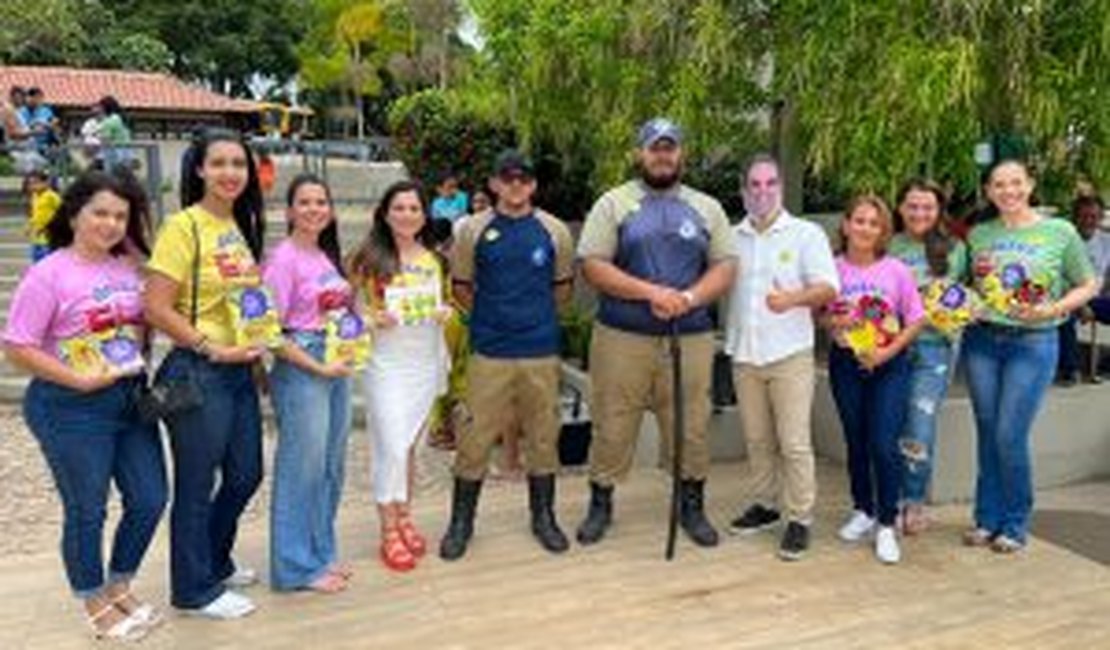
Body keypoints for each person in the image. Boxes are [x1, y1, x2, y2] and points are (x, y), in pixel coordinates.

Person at [2, 170, 166, 641]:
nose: (111, 224)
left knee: (151, 496)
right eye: (100, 213)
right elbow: (17, 346)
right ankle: (94, 600)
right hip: (68, 405)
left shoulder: (124, 266)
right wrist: (77, 378)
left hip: (127, 397)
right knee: (87, 509)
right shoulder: (47, 273)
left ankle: (120, 585)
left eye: (120, 215)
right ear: (74, 214)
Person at [575, 118, 738, 548]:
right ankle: (601, 504)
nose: (662, 155)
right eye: (654, 147)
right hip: (621, 338)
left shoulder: (707, 207)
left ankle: (691, 506)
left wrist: (686, 299)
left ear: (681, 154)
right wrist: (652, 293)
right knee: (611, 423)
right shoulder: (614, 203)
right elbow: (593, 264)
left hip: (691, 336)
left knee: (692, 426)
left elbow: (725, 267)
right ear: (639, 153)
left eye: (670, 147)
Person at [143, 128, 267, 618]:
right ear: (199, 169)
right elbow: (155, 306)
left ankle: (213, 559)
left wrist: (253, 350)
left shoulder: (238, 226)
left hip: (238, 371)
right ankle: (193, 590)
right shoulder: (183, 227)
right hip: (199, 370)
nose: (230, 173)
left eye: (238, 164)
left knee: (246, 474)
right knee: (195, 485)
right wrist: (210, 347)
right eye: (219, 163)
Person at [439, 149, 575, 560]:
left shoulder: (554, 231)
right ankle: (461, 522)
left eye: (524, 179)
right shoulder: (472, 230)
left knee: (543, 434)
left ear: (533, 185)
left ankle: (544, 517)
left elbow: (562, 291)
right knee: (475, 436)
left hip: (540, 349)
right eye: (507, 178)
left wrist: (530, 318)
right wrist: (492, 317)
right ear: (494, 183)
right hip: (490, 351)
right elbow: (461, 286)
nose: (516, 186)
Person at [963, 160, 1097, 553]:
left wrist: (1053, 310)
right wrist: (964, 306)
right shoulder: (979, 234)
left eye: (1016, 183)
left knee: (1009, 433)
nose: (1008, 191)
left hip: (1034, 343)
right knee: (988, 433)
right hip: (983, 342)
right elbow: (969, 286)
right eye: (999, 185)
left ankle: (1015, 522)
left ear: (1030, 185)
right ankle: (986, 519)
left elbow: (1089, 283)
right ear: (988, 191)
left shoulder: (1059, 231)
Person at [723, 154, 839, 561]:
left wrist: (792, 298)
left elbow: (828, 287)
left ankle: (800, 519)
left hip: (789, 354)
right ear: (743, 190)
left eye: (770, 183)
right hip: (745, 354)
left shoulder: (805, 234)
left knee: (793, 442)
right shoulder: (731, 236)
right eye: (754, 184)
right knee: (757, 439)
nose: (762, 191)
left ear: (782, 187)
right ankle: (767, 506)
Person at [350, 180, 452, 572]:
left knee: (409, 445)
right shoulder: (368, 258)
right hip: (386, 364)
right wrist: (372, 318)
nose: (407, 215)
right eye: (399, 208)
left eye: (414, 208)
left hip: (424, 362)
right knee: (390, 445)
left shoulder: (434, 259)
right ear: (385, 213)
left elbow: (439, 304)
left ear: (424, 215)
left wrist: (443, 312)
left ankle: (405, 514)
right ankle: (388, 529)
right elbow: (344, 314)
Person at [263, 174, 354, 592]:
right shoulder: (283, 259)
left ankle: (320, 552)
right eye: (305, 202)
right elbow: (269, 332)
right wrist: (317, 368)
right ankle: (295, 566)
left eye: (321, 201)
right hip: (304, 368)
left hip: (334, 364)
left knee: (330, 466)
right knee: (302, 468)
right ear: (289, 211)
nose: (315, 208)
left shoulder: (323, 255)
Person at [824, 195, 925, 565]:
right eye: (860, 221)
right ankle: (863, 509)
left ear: (883, 231)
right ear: (846, 225)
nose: (865, 228)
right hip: (846, 364)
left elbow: (916, 318)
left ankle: (885, 523)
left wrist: (888, 352)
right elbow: (821, 315)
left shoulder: (896, 270)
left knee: (883, 443)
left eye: (874, 223)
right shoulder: (830, 268)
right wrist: (833, 323)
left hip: (888, 365)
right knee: (856, 440)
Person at [888, 179, 968, 534]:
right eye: (913, 206)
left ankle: (915, 499)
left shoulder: (955, 248)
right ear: (900, 208)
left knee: (919, 427)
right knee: (888, 425)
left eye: (928, 207)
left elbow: (965, 298)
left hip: (934, 349)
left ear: (939, 211)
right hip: (890, 347)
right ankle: (889, 496)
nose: (920, 213)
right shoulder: (886, 244)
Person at [1056, 195, 1110, 384]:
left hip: (1098, 298)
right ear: (1075, 217)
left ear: (1100, 217)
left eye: (1093, 217)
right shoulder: (1063, 242)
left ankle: (1104, 366)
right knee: (1063, 316)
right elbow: (1058, 278)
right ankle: (1070, 369)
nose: (1088, 221)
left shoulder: (1106, 240)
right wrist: (1080, 303)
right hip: (1068, 297)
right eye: (1083, 216)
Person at [23, 169, 62, 262]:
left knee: (48, 262)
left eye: (36, 183)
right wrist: (29, 225)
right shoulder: (34, 196)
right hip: (36, 237)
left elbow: (62, 211)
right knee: (37, 262)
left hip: (49, 237)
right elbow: (35, 214)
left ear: (46, 182)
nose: (33, 186)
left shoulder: (52, 196)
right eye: (30, 183)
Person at [92, 96, 133, 172]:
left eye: (100, 107)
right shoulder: (121, 118)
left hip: (114, 155)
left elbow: (105, 139)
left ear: (104, 108)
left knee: (112, 179)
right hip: (127, 153)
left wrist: (97, 137)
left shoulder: (108, 121)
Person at [18, 87, 60, 153]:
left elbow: (54, 123)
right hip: (26, 146)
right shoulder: (21, 111)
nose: (38, 100)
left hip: (45, 146)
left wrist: (49, 125)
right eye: (35, 97)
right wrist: (34, 125)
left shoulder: (46, 110)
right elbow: (22, 127)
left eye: (40, 98)